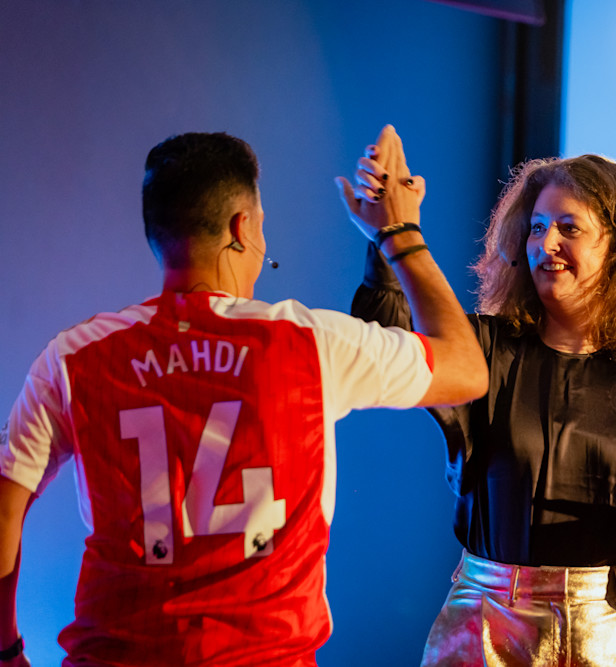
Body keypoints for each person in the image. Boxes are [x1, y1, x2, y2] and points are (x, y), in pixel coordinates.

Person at [0, 125, 487, 666]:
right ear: (243, 227)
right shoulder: (309, 343)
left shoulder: (74, 358)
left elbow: (4, 507)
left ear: (156, 233)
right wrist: (399, 231)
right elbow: (467, 369)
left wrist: (4, 649)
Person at [350, 146, 616, 665]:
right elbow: (388, 345)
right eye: (536, 228)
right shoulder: (484, 351)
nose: (546, 243)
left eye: (568, 227)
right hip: (491, 629)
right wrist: (390, 236)